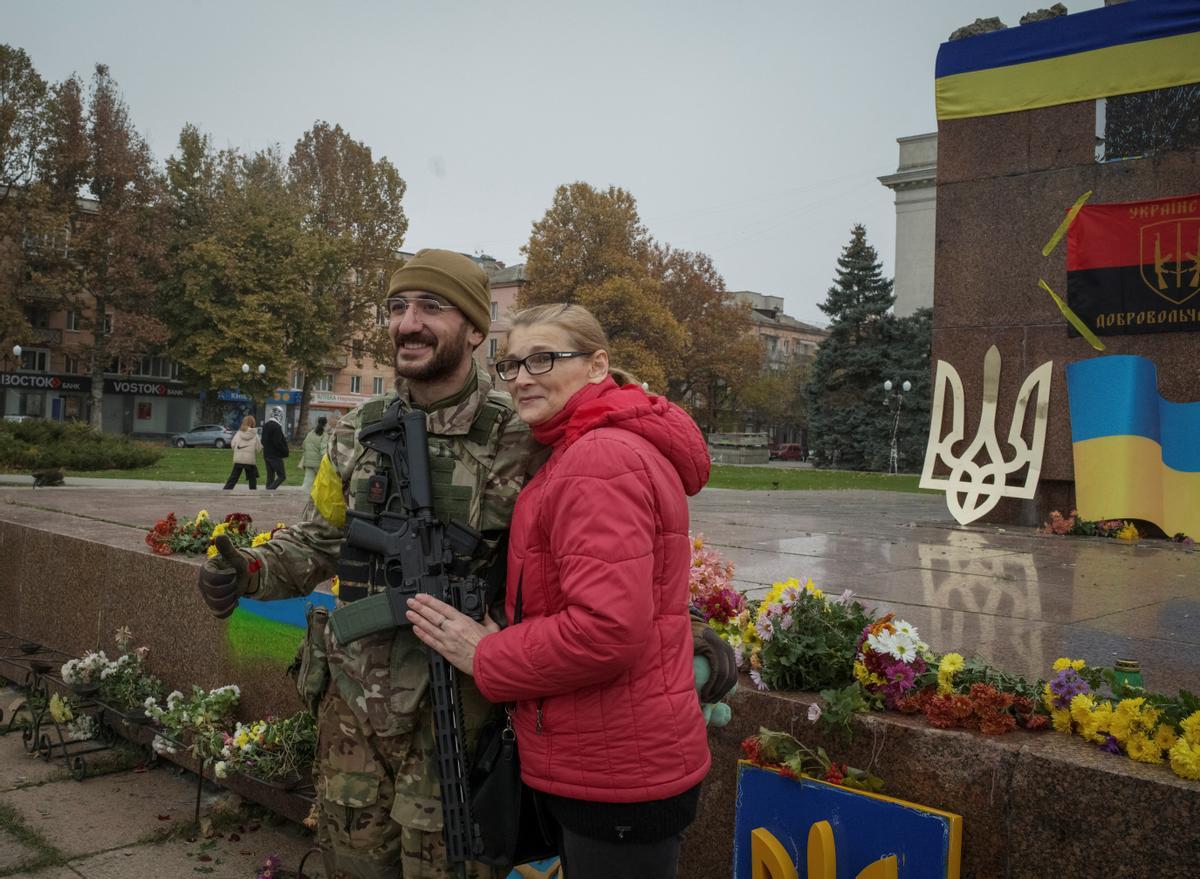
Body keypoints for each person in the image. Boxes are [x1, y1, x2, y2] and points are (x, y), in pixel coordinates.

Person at [195, 249, 540, 879]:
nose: (408, 322)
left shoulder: (526, 435)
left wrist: (682, 630)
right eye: (397, 307)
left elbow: (588, 559)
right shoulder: (355, 432)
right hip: (354, 712)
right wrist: (246, 571)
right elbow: (319, 540)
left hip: (460, 722)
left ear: (473, 328)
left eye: (432, 307)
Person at [407, 303, 724, 879]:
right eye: (510, 365)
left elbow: (608, 628)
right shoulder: (587, 446)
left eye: (544, 359)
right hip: (613, 752)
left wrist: (486, 654)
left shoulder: (597, 458)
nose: (522, 377)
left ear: (598, 365)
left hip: (615, 769)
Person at [223, 415, 262, 490]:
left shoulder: (239, 433)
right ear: (253, 423)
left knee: (234, 477)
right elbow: (259, 448)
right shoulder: (254, 434)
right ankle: (253, 492)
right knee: (252, 477)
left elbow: (233, 444)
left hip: (239, 458)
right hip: (249, 460)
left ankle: (226, 490)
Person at [261, 407, 290, 490]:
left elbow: (263, 441)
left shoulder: (266, 425)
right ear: (279, 415)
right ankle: (270, 490)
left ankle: (268, 493)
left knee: (270, 476)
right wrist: (285, 451)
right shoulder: (277, 426)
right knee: (282, 476)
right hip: (275, 456)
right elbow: (278, 442)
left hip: (266, 454)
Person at [300, 416, 329, 491]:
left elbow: (304, 444)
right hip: (318, 462)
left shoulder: (311, 433)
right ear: (325, 424)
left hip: (308, 461)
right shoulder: (324, 435)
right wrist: (327, 461)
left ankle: (302, 496)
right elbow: (323, 450)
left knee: (307, 482)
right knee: (322, 482)